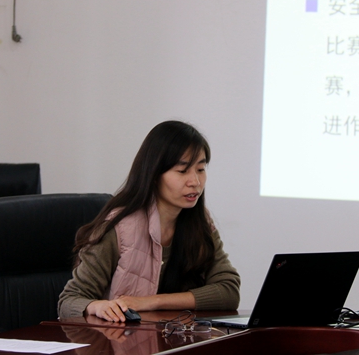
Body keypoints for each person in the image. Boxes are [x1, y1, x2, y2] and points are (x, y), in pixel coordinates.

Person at [58, 120, 240, 322]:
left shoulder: (200, 221)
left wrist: (153, 302)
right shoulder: (120, 228)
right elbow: (69, 301)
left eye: (200, 169)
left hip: (174, 335)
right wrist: (96, 306)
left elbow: (228, 291)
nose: (195, 182)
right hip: (120, 338)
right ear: (154, 174)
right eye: (182, 171)